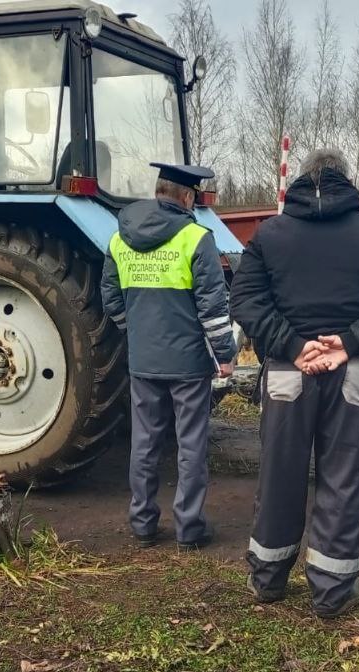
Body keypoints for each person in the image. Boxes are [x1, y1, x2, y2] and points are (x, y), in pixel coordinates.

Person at [229, 149, 359, 618]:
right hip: (352, 372)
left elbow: (245, 299)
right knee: (343, 477)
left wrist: (293, 346)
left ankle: (267, 579)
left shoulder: (269, 236)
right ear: (346, 180)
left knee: (280, 475)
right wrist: (352, 342)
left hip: (286, 373)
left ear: (301, 180)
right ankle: (333, 591)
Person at [101, 162, 237, 550]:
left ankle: (143, 524)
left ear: (158, 191)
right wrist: (225, 353)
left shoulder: (119, 238)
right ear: (188, 197)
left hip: (144, 362)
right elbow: (213, 308)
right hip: (189, 365)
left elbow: (110, 298)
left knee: (144, 443)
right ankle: (189, 529)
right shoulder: (196, 239)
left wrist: (136, 332)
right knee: (191, 445)